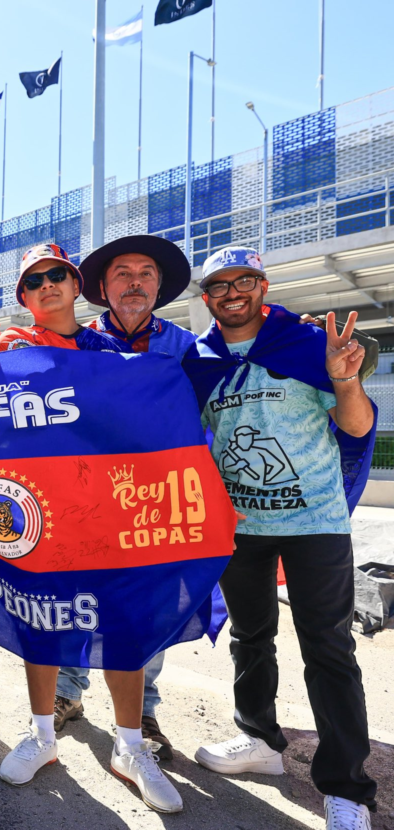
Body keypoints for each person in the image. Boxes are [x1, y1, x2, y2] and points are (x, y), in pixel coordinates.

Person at [184, 246, 376, 830]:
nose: (232, 292)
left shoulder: (305, 343)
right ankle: (260, 741)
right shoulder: (200, 361)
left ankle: (347, 788)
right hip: (241, 527)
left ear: (263, 287)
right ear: (207, 298)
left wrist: (345, 380)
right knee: (251, 637)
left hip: (314, 521)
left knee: (329, 650)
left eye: (244, 281)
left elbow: (357, 424)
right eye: (219, 285)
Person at [0, 244, 183, 814]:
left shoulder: (111, 347)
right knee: (41, 622)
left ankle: (129, 747)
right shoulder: (14, 343)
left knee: (125, 625)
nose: (47, 285)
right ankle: (43, 736)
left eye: (57, 275)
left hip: (109, 511)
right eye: (34, 281)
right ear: (25, 298)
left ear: (77, 285)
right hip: (41, 513)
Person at [40, 235, 198, 758]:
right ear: (102, 287)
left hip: (154, 503)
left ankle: (144, 713)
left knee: (148, 608)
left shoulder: (185, 347)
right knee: (72, 599)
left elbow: (209, 421)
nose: (134, 282)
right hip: (83, 501)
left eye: (146, 272)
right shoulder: (77, 342)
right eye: (122, 273)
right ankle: (66, 693)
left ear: (159, 285)